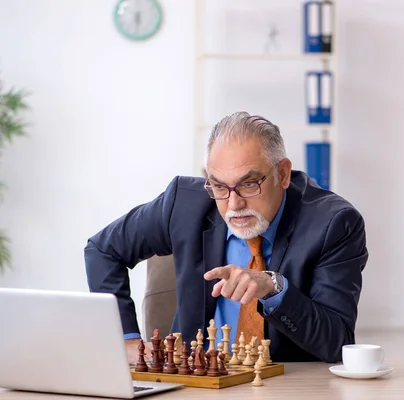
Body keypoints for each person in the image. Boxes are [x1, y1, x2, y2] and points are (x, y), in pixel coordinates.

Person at [84, 111, 369, 363]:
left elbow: (337, 344)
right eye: (219, 186)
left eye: (248, 184)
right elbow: (102, 250)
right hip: (195, 380)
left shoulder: (334, 224)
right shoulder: (183, 204)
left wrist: (273, 288)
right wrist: (126, 339)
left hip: (283, 386)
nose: (233, 205)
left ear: (282, 173)